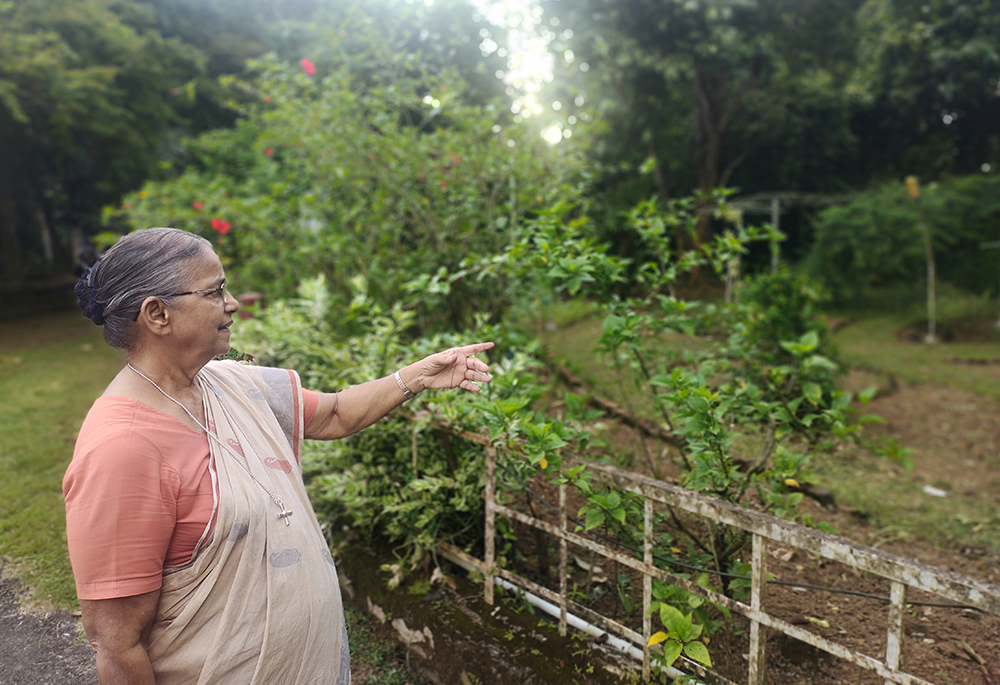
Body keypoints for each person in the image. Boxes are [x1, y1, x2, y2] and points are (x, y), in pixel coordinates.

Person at [63, 227, 493, 684]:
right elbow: (117, 643)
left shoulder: (231, 384)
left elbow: (335, 414)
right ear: (157, 314)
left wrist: (416, 376)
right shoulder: (122, 450)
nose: (232, 304)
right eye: (215, 291)